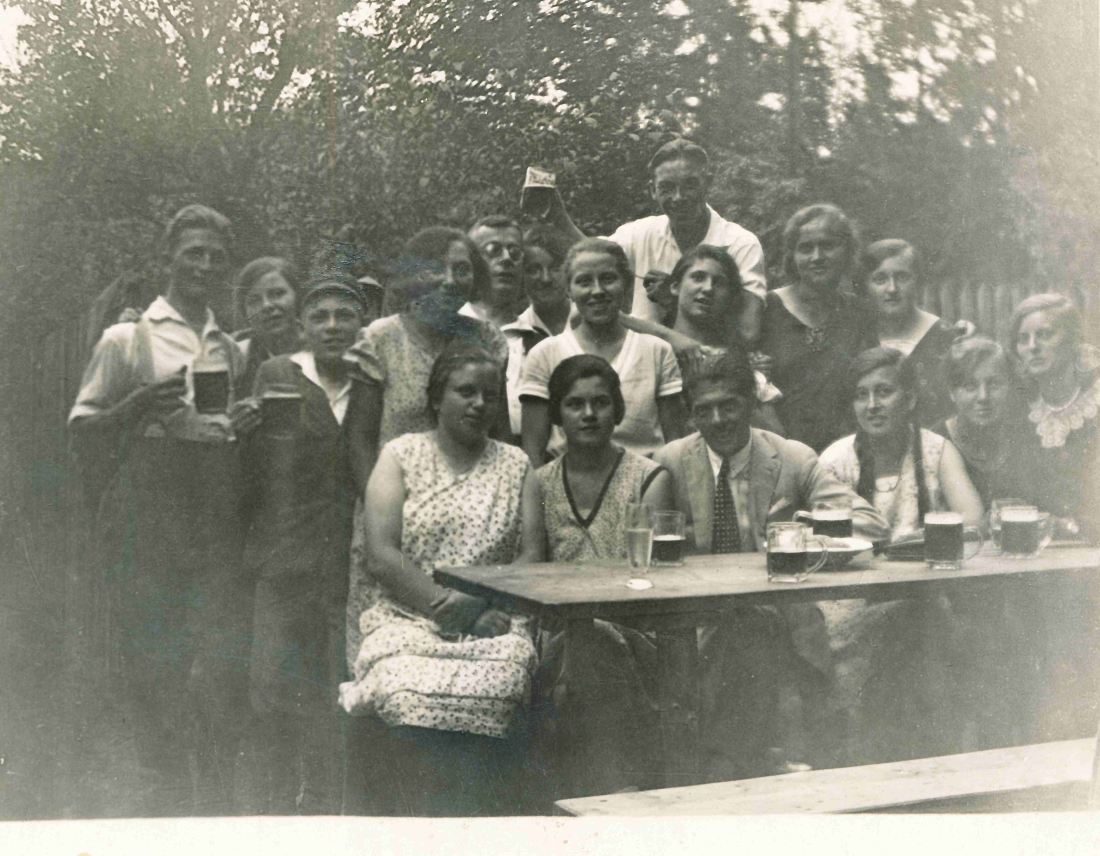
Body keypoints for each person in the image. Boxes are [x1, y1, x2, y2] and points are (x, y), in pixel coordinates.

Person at [69, 203, 258, 815]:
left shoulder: (230, 346)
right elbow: (82, 431)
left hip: (214, 510)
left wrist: (242, 427)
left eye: (215, 257)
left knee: (221, 660)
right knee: (154, 663)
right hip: (150, 512)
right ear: (168, 259)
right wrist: (141, 404)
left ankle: (215, 801)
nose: (204, 265)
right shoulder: (127, 339)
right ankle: (165, 801)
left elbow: (222, 430)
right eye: (192, 253)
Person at [653, 346, 889, 779]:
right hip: (701, 618)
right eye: (704, 410)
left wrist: (799, 530)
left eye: (730, 405)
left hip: (782, 613)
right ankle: (747, 763)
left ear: (752, 404)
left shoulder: (792, 458)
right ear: (690, 414)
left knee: (759, 623)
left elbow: (872, 524)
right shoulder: (669, 463)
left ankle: (734, 766)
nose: (719, 420)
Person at [339, 343, 544, 816]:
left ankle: (476, 821)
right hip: (408, 616)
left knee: (504, 682)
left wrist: (481, 608)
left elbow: (532, 556)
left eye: (490, 396)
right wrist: (445, 604)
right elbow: (382, 556)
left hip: (496, 620)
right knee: (402, 688)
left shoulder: (516, 466)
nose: (478, 404)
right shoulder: (400, 455)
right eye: (465, 392)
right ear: (436, 398)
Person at [342, 226, 509, 668]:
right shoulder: (381, 338)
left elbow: (502, 435)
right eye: (437, 269)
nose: (450, 280)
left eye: (462, 270)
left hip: (472, 519)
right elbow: (358, 437)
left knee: (469, 644)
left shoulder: (487, 339)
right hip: (392, 519)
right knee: (386, 656)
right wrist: (380, 509)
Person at [811, 346, 984, 766]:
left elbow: (975, 524)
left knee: (917, 618)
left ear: (909, 397)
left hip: (927, 605)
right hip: (849, 610)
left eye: (884, 391)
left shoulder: (935, 451)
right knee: (909, 621)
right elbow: (817, 544)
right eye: (861, 394)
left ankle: (925, 761)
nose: (872, 405)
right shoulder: (836, 459)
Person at [239, 277, 362, 815]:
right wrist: (245, 431)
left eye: (344, 315)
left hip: (350, 555)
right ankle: (271, 806)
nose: (333, 326)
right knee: (271, 683)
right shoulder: (277, 374)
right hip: (285, 549)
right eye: (321, 316)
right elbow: (252, 468)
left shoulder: (371, 381)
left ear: (361, 323)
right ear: (304, 326)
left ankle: (326, 800)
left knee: (340, 678)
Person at [534, 354, 671, 794]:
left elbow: (652, 576)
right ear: (557, 414)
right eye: (575, 404)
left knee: (593, 641)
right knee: (582, 642)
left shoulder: (649, 478)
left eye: (601, 402)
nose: (589, 414)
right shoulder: (538, 483)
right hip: (558, 636)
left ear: (618, 410)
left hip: (635, 630)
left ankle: (609, 790)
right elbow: (534, 570)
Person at [542, 138, 766, 341]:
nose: (678, 197)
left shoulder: (740, 244)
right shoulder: (641, 233)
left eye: (690, 185)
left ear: (708, 183)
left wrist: (675, 302)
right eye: (667, 188)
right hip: (641, 369)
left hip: (708, 372)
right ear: (653, 191)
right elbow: (590, 256)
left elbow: (748, 333)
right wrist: (558, 217)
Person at [1004, 294, 1100, 742]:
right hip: (1046, 564)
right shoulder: (1023, 414)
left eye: (1046, 334)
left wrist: (1071, 525)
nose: (1033, 346)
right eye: (1024, 339)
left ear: (1072, 341)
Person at [520, 238, 687, 464]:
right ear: (568, 289)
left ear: (626, 285)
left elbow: (674, 446)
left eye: (608, 279)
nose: (597, 291)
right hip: (569, 487)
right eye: (584, 281)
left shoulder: (657, 351)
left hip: (646, 489)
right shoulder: (545, 353)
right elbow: (533, 452)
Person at [756, 204, 879, 453]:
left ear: (847, 250)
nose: (817, 257)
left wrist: (958, 330)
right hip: (778, 451)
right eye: (805, 248)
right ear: (792, 256)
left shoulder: (859, 312)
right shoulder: (766, 309)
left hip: (847, 452)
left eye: (827, 245)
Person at [859, 239, 963, 426]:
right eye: (880, 279)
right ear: (866, 286)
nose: (892, 289)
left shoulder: (948, 339)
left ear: (919, 282)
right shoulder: (857, 339)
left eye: (902, 277)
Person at [936, 336, 1025, 504]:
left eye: (994, 384)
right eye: (970, 386)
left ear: (1009, 386)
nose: (983, 397)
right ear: (952, 392)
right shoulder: (935, 441)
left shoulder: (1023, 436)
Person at [233, 257, 303, 396]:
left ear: (298, 297)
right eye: (254, 300)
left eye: (277, 294)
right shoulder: (239, 357)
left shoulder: (322, 346)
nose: (266, 306)